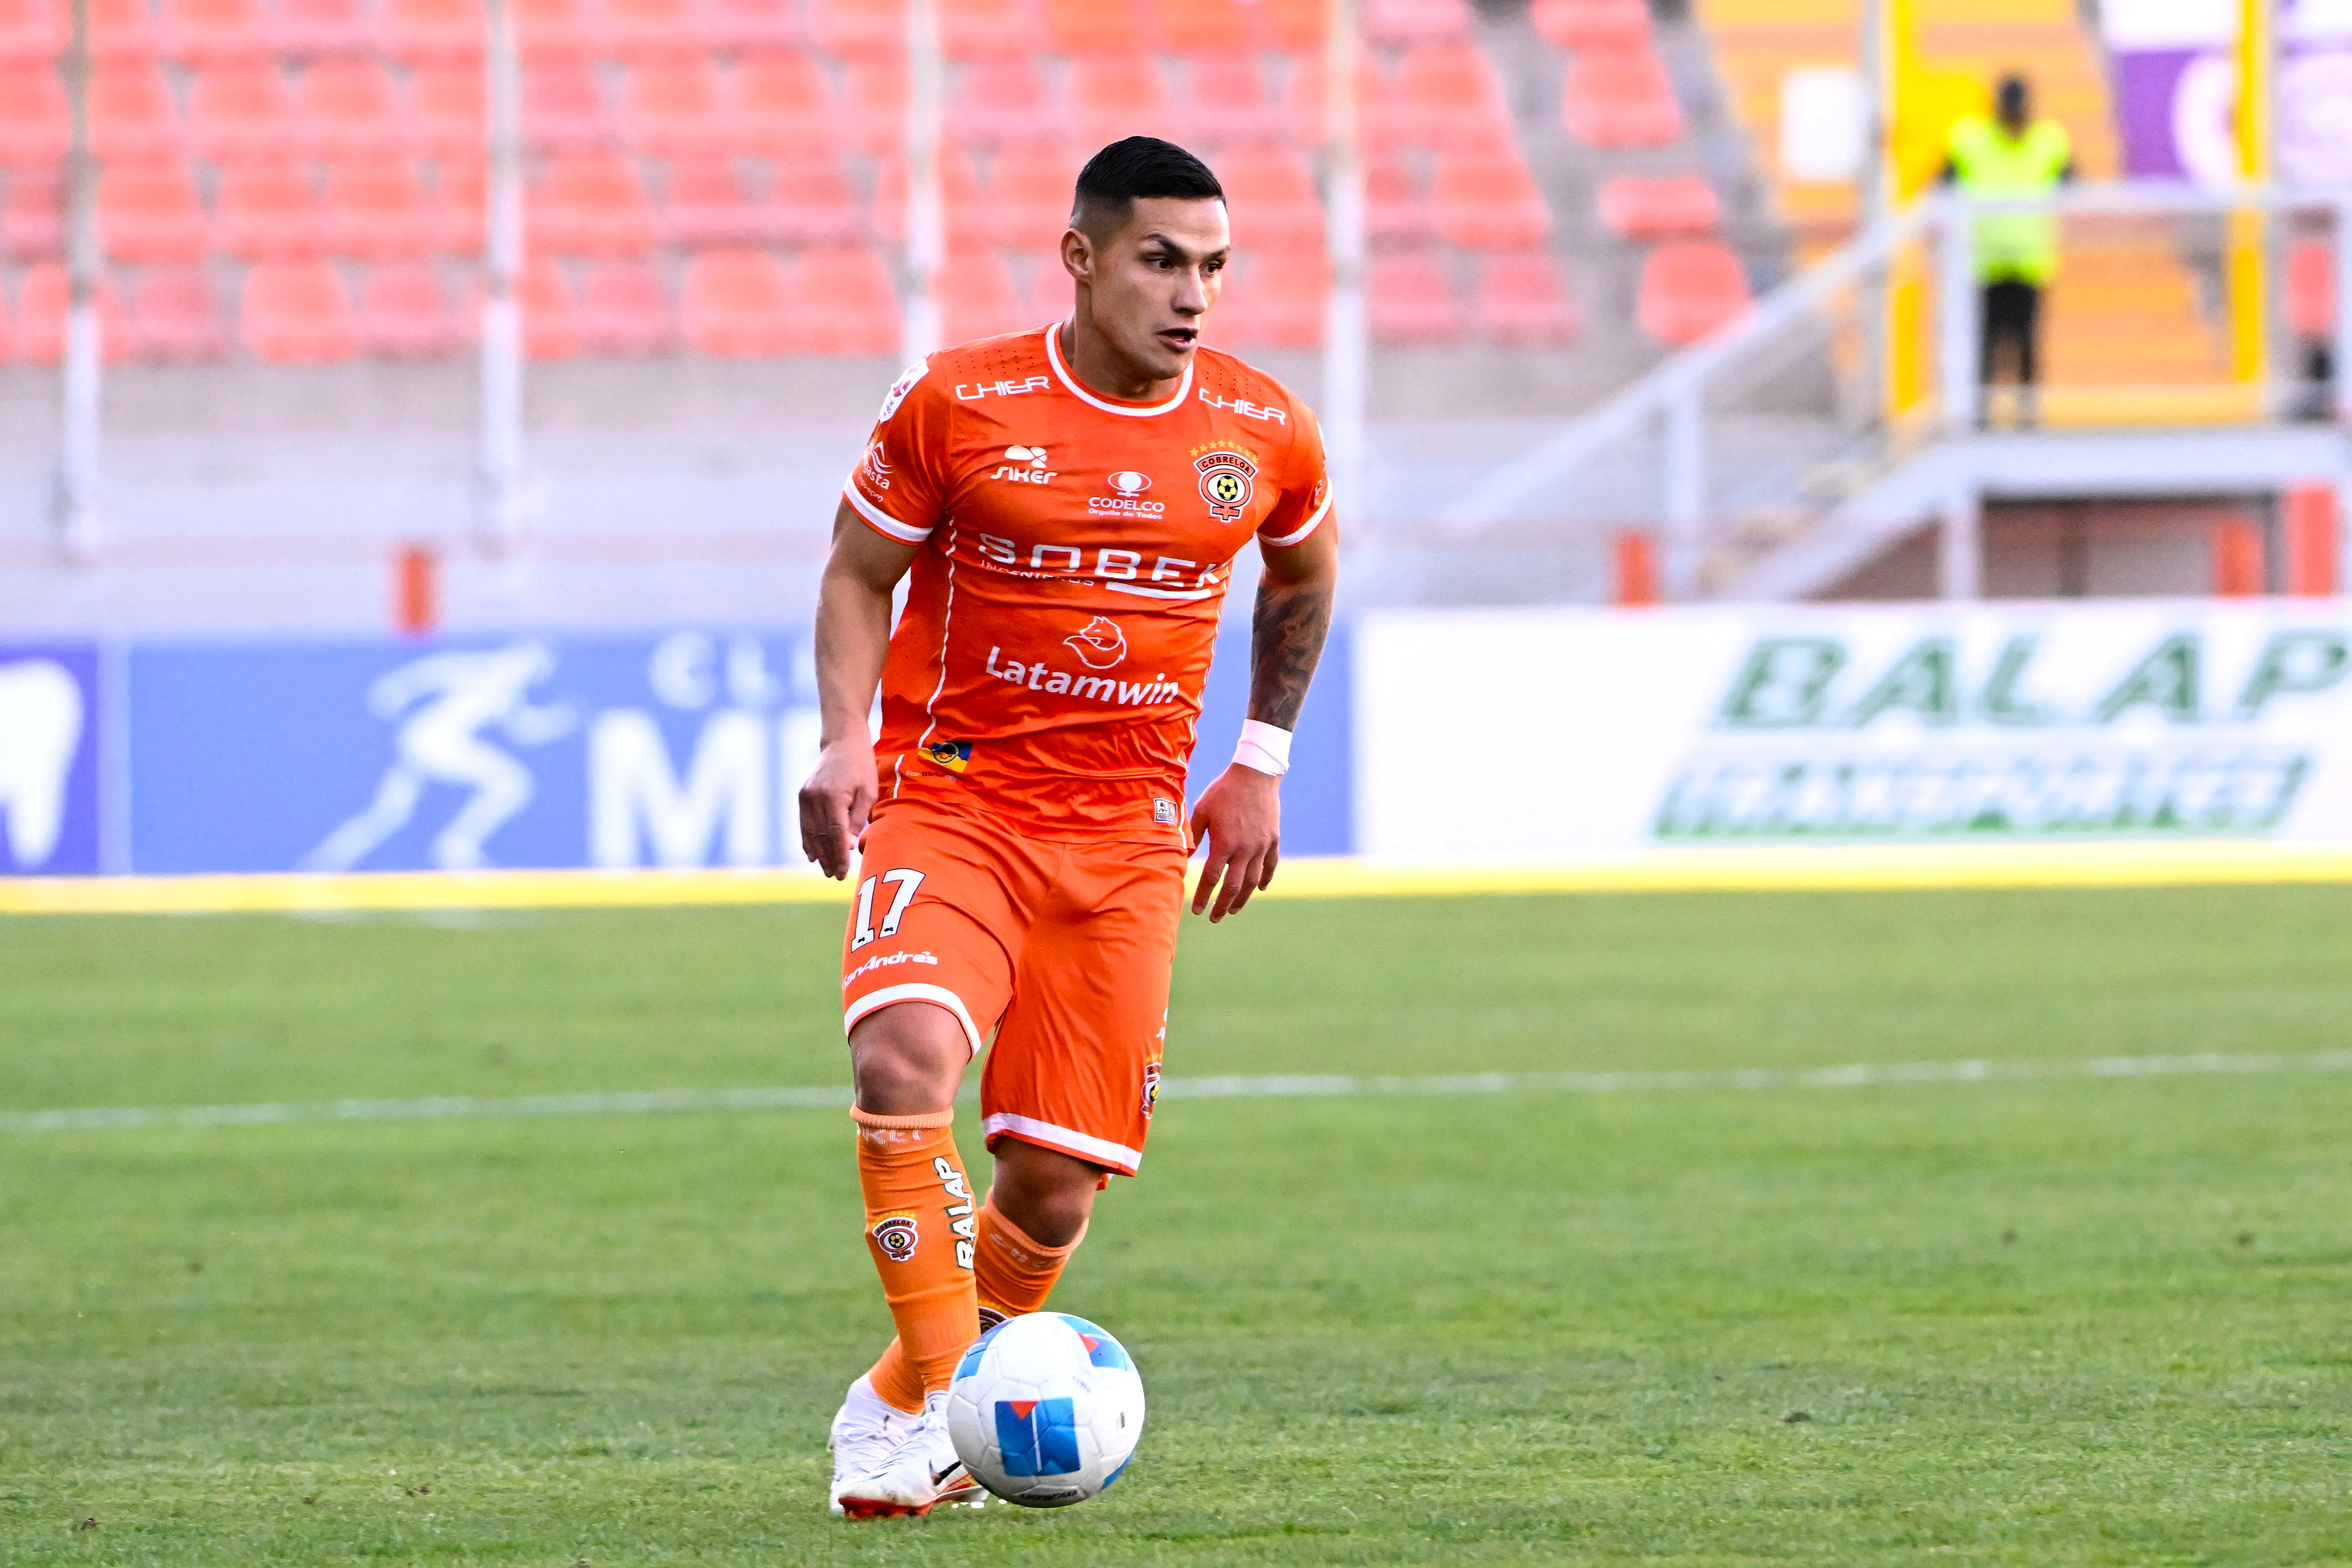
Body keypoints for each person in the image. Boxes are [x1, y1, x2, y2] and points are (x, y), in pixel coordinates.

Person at [795, 136, 1340, 1519]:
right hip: (956, 800)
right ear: (1083, 258)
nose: (1191, 294)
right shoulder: (958, 401)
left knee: (1047, 1192)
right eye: (1161, 260)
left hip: (1123, 840)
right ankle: (939, 1401)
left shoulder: (1258, 430)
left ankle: (902, 1396)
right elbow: (860, 574)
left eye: (1213, 267)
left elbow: (1302, 571)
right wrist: (844, 736)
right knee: (904, 1049)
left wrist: (1259, 759)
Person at [1942, 74, 2074, 427]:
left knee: (2026, 345)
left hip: (2030, 261)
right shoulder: (1970, 142)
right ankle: (1980, 418)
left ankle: (2026, 419)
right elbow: (1941, 188)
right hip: (1983, 263)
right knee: (1984, 345)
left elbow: (2075, 188)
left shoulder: (2048, 142)